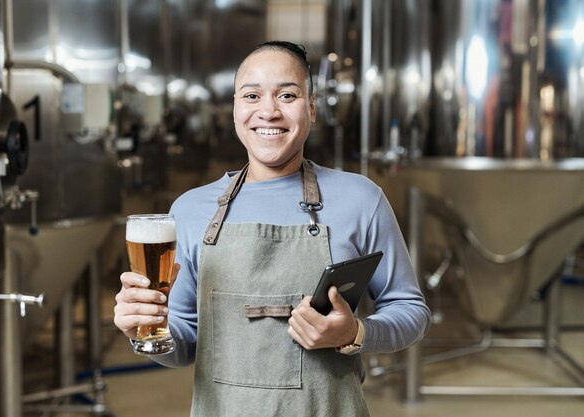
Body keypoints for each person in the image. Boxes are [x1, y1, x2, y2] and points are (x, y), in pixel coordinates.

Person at [114, 40, 431, 417]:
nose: (268, 111)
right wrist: (146, 332)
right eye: (252, 95)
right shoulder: (190, 210)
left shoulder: (361, 199)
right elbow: (184, 344)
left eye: (287, 95)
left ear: (311, 107)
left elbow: (411, 311)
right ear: (235, 110)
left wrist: (354, 333)